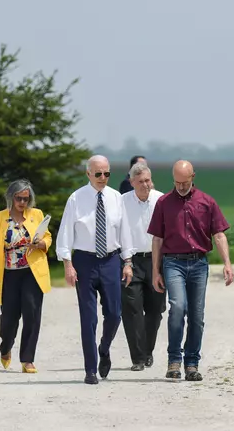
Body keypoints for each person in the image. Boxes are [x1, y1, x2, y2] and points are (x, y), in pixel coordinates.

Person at [147, 159, 234, 382]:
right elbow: (157, 238)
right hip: (172, 262)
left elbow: (219, 234)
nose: (181, 187)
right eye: (177, 182)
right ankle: (174, 360)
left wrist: (227, 263)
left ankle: (192, 364)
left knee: (197, 316)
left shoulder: (207, 202)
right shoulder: (164, 203)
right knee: (177, 307)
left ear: (193, 177)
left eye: (185, 182)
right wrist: (155, 271)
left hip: (198, 264)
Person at [55, 154, 135, 385]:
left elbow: (125, 231)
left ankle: (104, 347)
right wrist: (67, 264)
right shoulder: (76, 199)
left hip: (111, 261)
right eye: (98, 174)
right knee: (88, 318)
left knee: (114, 313)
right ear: (88, 174)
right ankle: (90, 369)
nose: (102, 178)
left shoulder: (116, 198)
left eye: (106, 173)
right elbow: (66, 234)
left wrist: (127, 262)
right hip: (84, 262)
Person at [0, 179, 52, 374]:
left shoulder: (36, 214)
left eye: (26, 198)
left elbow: (47, 236)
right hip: (9, 274)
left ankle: (27, 359)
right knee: (9, 319)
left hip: (32, 272)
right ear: (11, 197)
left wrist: (42, 244)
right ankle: (5, 347)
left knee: (32, 315)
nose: (22, 202)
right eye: (19, 198)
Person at [120, 161, 166, 371]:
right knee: (132, 309)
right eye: (140, 182)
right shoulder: (121, 202)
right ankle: (138, 358)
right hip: (130, 261)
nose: (146, 185)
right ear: (131, 183)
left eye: (148, 180)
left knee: (155, 310)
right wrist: (125, 261)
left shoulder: (162, 199)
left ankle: (147, 351)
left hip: (157, 261)